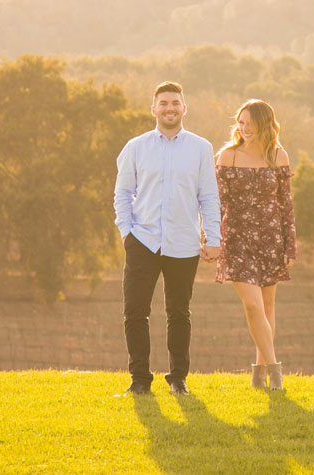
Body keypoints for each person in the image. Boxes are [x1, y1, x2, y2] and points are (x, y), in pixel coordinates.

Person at [114, 81, 222, 395]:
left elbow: (209, 197)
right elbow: (122, 193)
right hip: (142, 241)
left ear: (184, 108)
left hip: (183, 243)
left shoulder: (201, 148)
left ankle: (178, 380)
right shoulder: (136, 147)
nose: (170, 108)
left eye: (175, 103)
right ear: (154, 109)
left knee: (179, 312)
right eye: (164, 103)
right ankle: (140, 381)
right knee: (135, 312)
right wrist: (127, 232)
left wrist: (212, 237)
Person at [214, 99, 297, 390]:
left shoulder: (279, 155)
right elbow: (216, 203)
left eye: (250, 122)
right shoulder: (227, 156)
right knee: (252, 305)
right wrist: (211, 237)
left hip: (270, 238)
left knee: (268, 305)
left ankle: (258, 374)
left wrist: (290, 246)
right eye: (241, 122)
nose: (244, 128)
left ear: (265, 124)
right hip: (236, 239)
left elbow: (286, 205)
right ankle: (275, 371)